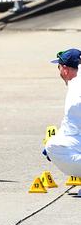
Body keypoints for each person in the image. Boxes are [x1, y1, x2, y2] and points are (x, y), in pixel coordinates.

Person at [45, 49, 81, 190]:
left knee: (53, 148)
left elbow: (73, 126)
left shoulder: (76, 88)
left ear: (65, 69)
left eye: (58, 67)